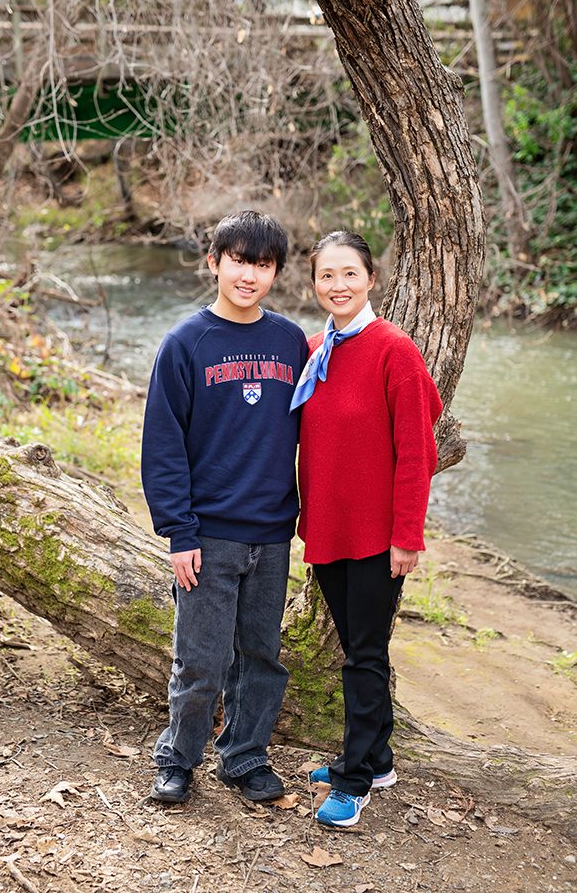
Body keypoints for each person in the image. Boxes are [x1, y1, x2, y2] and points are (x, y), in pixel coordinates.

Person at [141, 210, 308, 805]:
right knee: (201, 660)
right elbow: (162, 445)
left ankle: (244, 756)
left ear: (276, 273)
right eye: (239, 261)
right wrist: (179, 532)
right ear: (214, 263)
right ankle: (178, 758)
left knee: (262, 655)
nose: (249, 276)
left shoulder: (290, 341)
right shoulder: (186, 343)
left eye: (263, 265)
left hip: (272, 531)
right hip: (208, 534)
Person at [292, 230, 442, 828]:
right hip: (328, 528)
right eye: (326, 275)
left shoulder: (394, 350)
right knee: (358, 649)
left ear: (371, 279)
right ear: (314, 284)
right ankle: (377, 760)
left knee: (364, 657)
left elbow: (418, 450)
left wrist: (408, 535)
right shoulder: (314, 350)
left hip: (379, 537)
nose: (338, 285)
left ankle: (353, 781)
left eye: (349, 273)